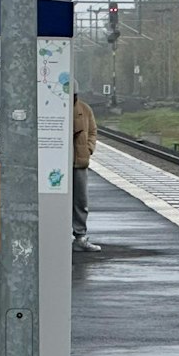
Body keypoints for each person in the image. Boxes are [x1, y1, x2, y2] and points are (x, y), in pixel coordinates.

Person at [72, 92, 101, 252]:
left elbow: (92, 131)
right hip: (58, 163)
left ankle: (80, 235)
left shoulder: (85, 109)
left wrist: (88, 148)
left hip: (80, 160)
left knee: (81, 201)